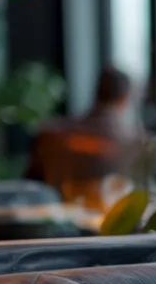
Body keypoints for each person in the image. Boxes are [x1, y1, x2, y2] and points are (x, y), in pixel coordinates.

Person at [27, 67, 145, 214]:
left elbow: (30, 190)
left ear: (96, 93)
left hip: (61, 228)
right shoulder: (138, 145)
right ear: (124, 99)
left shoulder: (52, 136)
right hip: (118, 229)